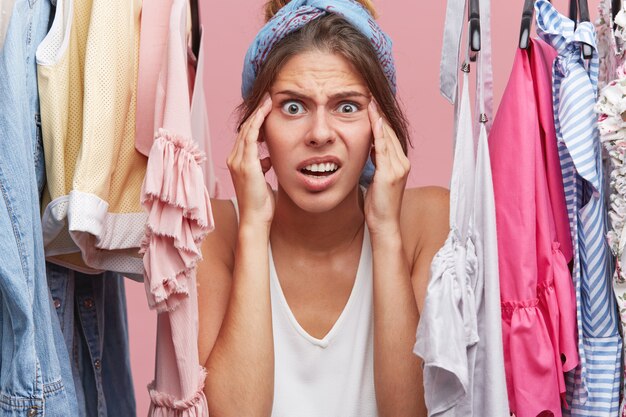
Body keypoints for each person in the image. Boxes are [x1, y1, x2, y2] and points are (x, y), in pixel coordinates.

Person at [197, 1, 449, 416]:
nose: (319, 134)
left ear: (378, 124)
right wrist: (254, 229)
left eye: (347, 106)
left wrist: (385, 231)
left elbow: (413, 412)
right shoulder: (214, 230)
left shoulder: (428, 221)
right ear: (257, 127)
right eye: (293, 107)